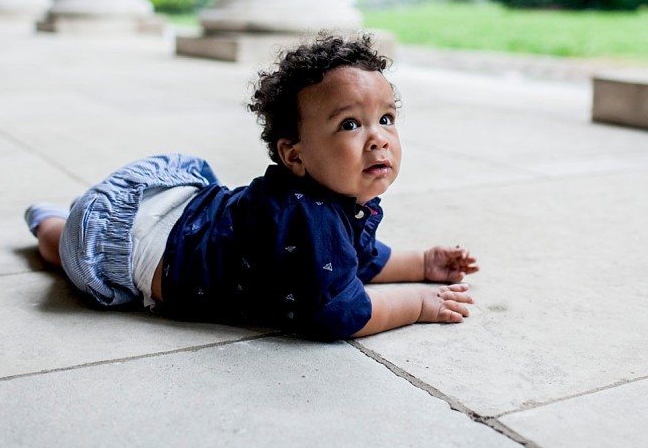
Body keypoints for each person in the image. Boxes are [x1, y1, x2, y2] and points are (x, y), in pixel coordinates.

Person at [25, 32, 478, 340]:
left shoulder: (329, 200)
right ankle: (50, 222)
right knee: (62, 247)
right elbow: (341, 312)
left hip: (186, 209)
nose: (378, 136)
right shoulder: (308, 217)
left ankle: (65, 215)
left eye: (385, 119)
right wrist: (419, 302)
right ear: (294, 155)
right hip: (133, 242)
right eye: (350, 124)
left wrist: (421, 261)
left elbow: (352, 258)